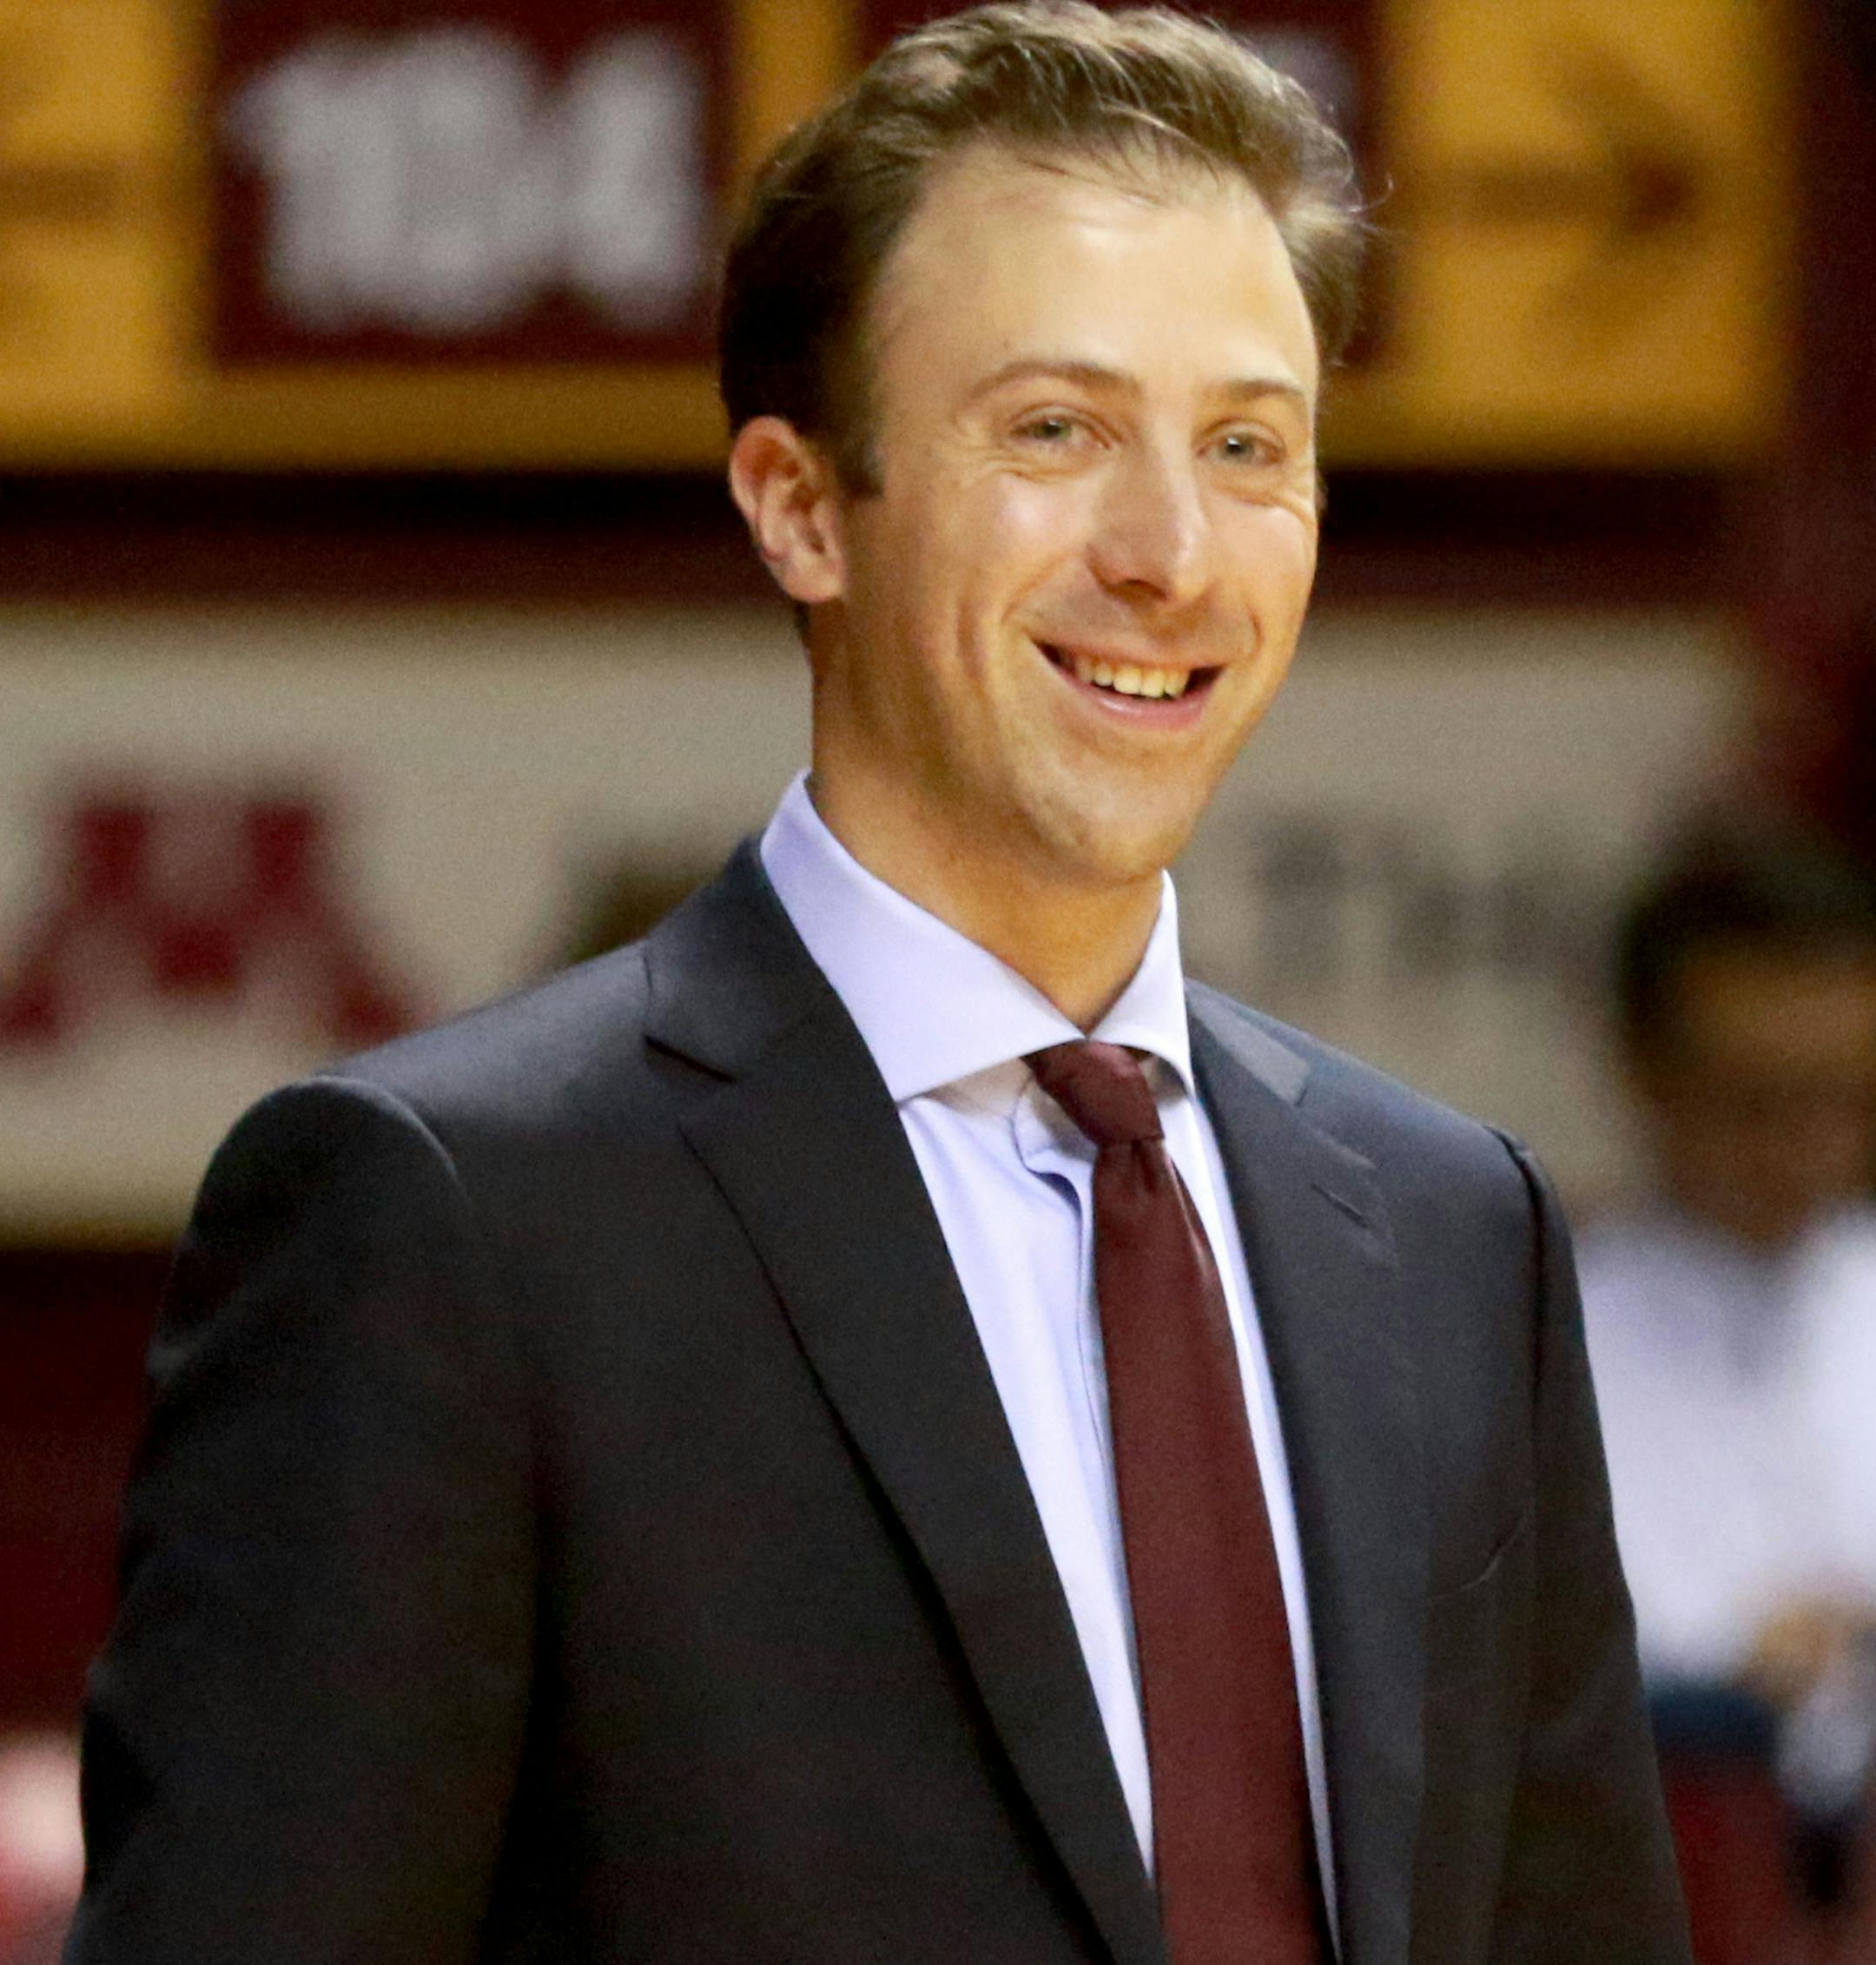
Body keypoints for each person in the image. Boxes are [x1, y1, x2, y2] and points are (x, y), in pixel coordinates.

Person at [66, 8, 1689, 1962]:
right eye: (1056, 432)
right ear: (799, 503)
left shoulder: (1452, 1236)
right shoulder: (449, 1225)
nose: (1173, 552)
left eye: (1250, 446)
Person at [1579, 828, 1876, 1915]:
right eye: (1758, 1101)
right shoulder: (1538, 1337)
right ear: (1648, 1073)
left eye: (1844, 1099)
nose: (1809, 1148)